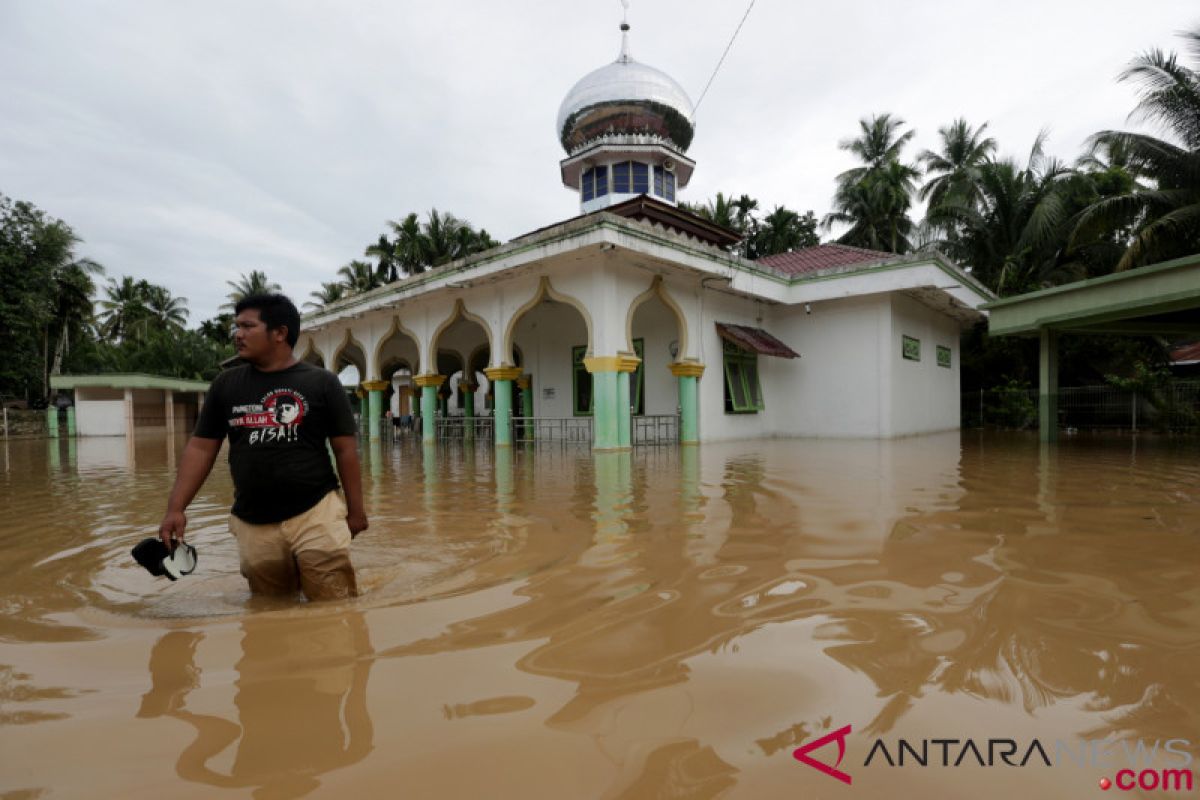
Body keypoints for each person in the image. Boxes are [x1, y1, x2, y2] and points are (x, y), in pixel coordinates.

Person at [158, 294, 367, 600]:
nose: (237, 335)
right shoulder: (226, 385)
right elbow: (201, 449)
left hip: (316, 511)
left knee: (332, 604)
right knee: (271, 607)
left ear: (280, 333)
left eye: (247, 326)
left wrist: (356, 512)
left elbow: (345, 450)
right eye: (236, 327)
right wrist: (176, 508)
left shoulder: (322, 383)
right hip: (253, 520)